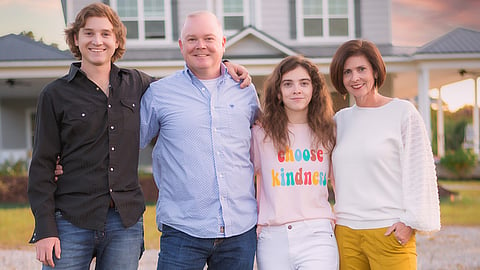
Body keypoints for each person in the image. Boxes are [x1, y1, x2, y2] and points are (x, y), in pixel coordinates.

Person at [29, 3, 250, 269]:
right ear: (76, 39)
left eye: (106, 34)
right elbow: (41, 164)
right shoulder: (55, 94)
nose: (97, 41)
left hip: (124, 222)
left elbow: (193, 83)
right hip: (71, 219)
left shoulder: (139, 84)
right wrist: (44, 228)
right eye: (89, 33)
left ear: (117, 40)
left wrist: (224, 65)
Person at [139, 11, 259, 270]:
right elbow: (126, 144)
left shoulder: (246, 91)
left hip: (239, 230)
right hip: (183, 229)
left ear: (223, 43)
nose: (200, 45)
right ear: (181, 46)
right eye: (192, 39)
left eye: (209, 38)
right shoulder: (159, 94)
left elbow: (264, 144)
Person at [329, 39, 441, 270]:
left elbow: (420, 168)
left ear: (376, 71)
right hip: (346, 234)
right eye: (347, 72)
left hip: (388, 231)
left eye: (361, 69)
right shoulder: (340, 120)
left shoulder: (402, 112)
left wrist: (410, 222)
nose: (355, 78)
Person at [251, 55, 338, 269]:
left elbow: (342, 184)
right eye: (288, 84)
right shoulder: (261, 133)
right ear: (278, 93)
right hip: (272, 237)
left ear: (314, 90)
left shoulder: (329, 132)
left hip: (317, 234)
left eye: (304, 83)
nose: (296, 90)